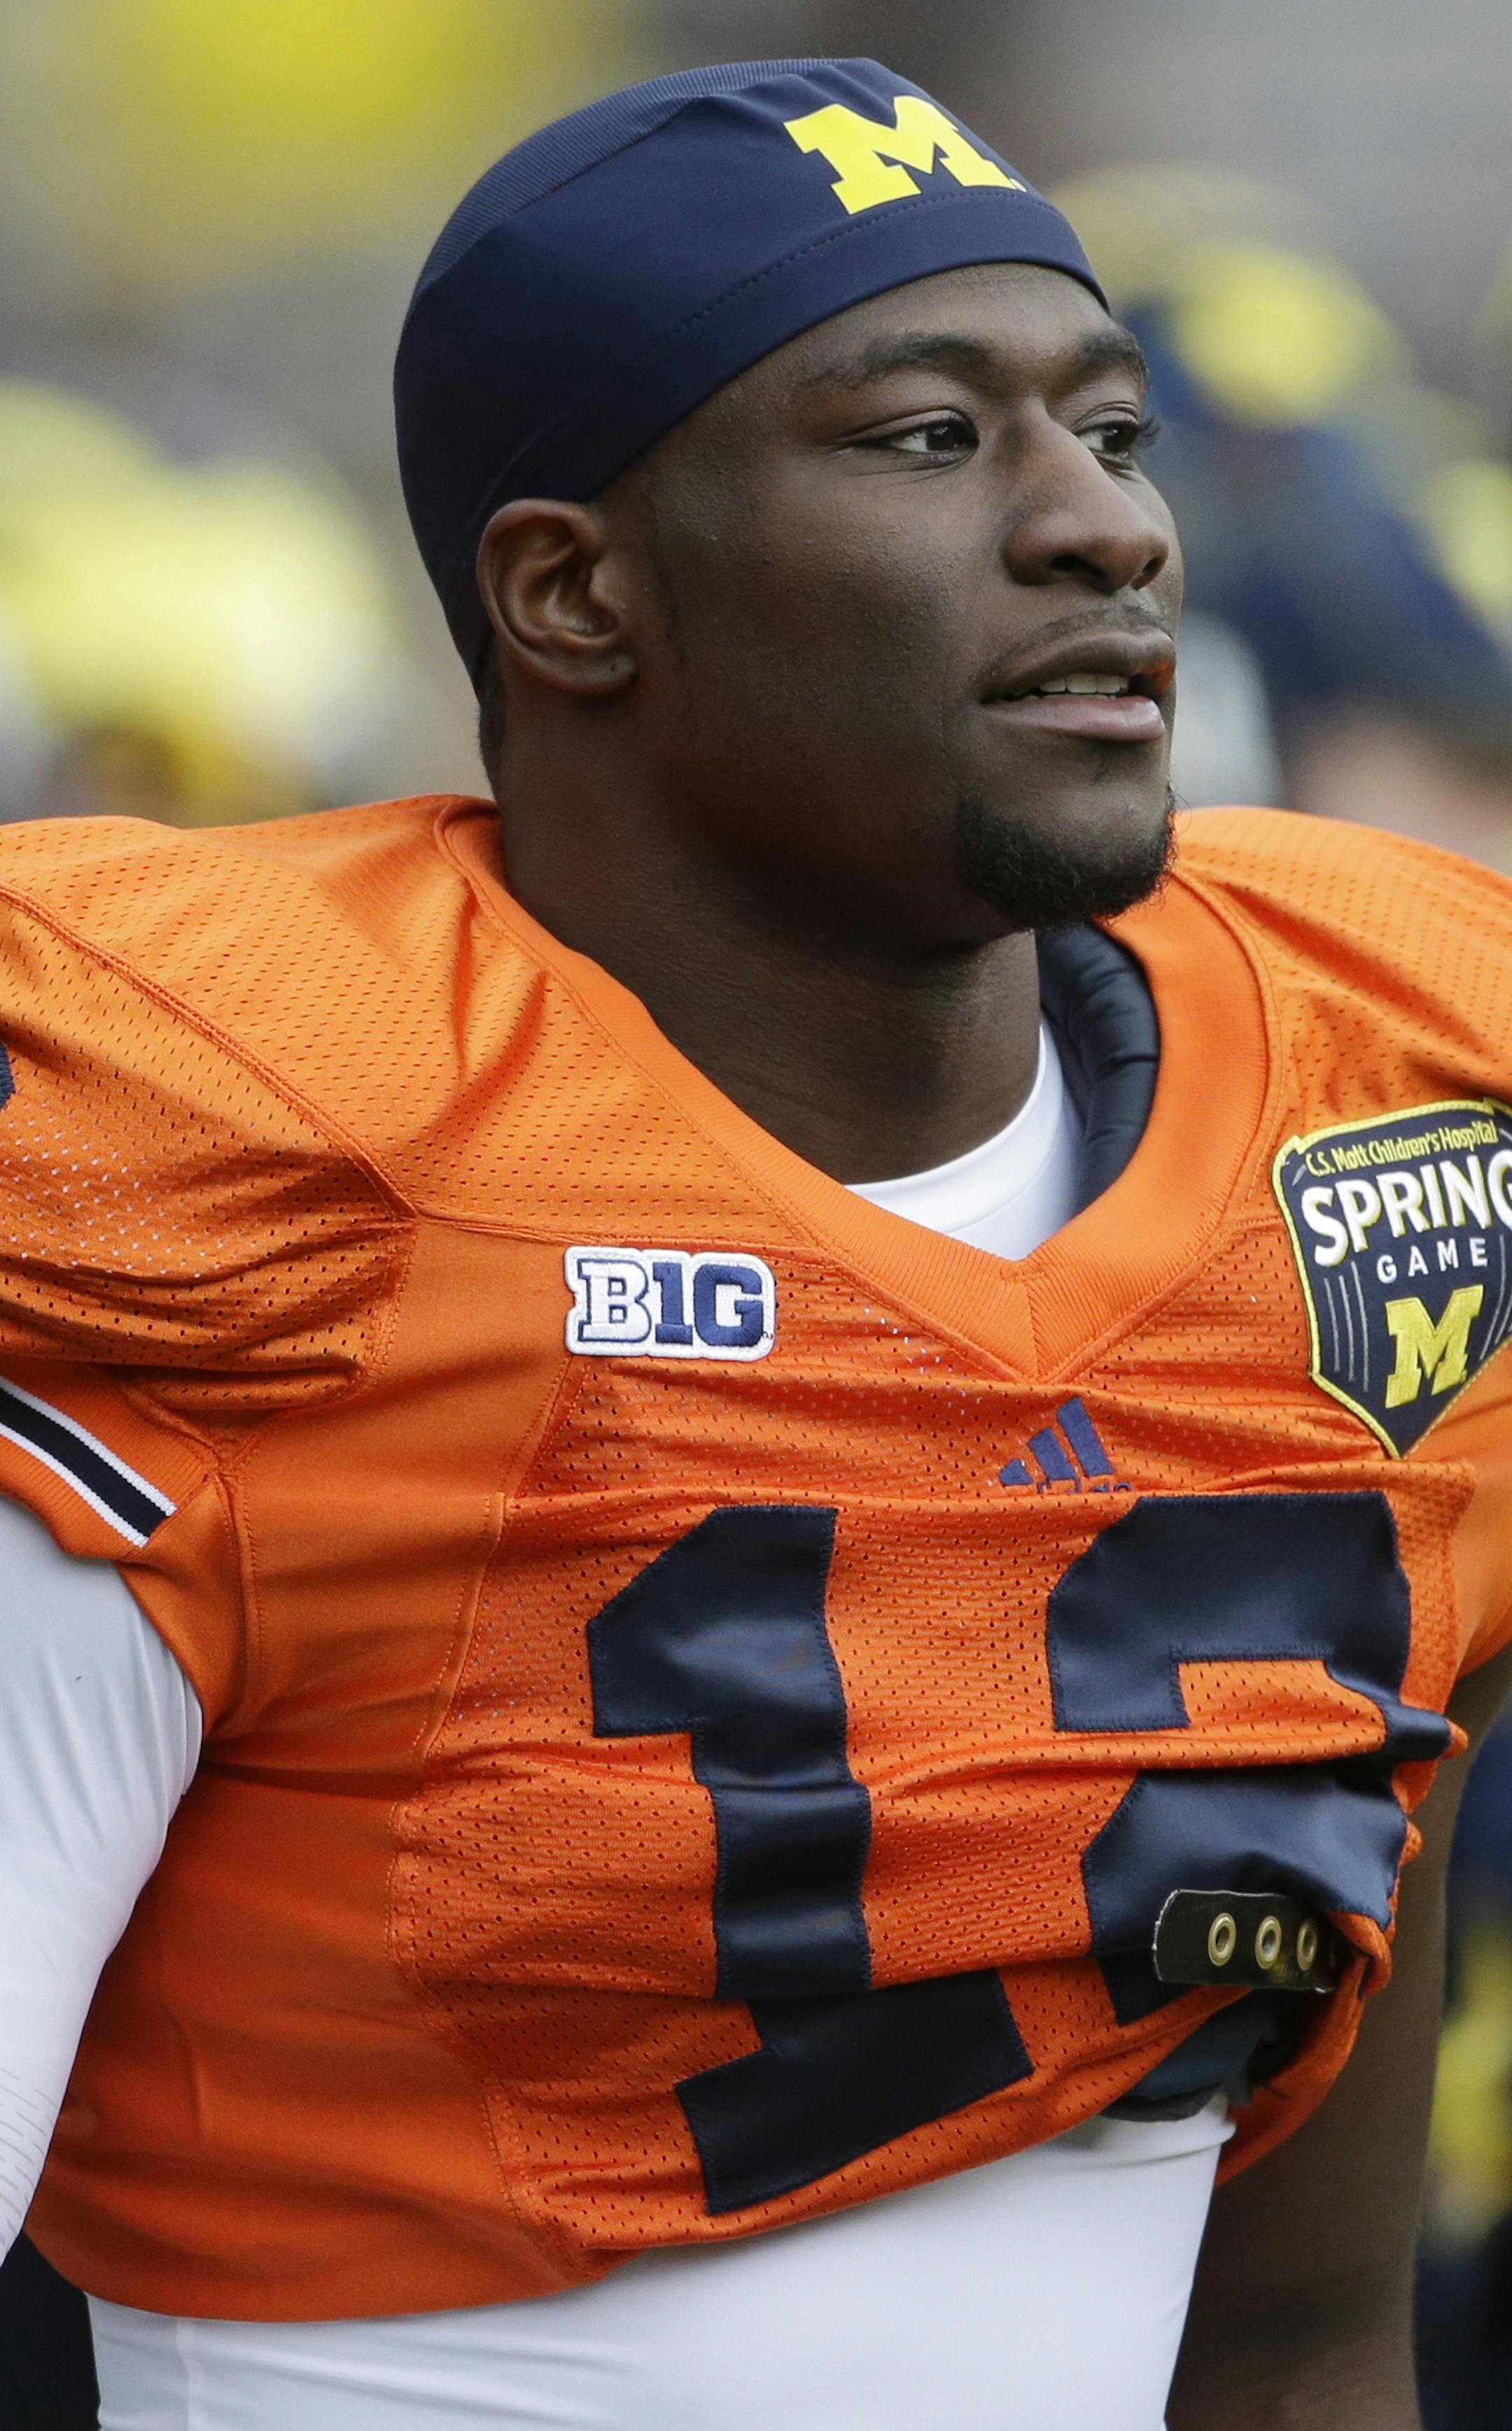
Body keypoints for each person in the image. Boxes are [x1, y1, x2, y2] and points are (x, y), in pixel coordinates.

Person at [0, 56, 1508, 2431]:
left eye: (1113, 430)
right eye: (928, 436)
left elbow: (1305, 2338)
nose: (1102, 524)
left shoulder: (1380, 1111)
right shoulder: (220, 1161)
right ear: (571, 591)